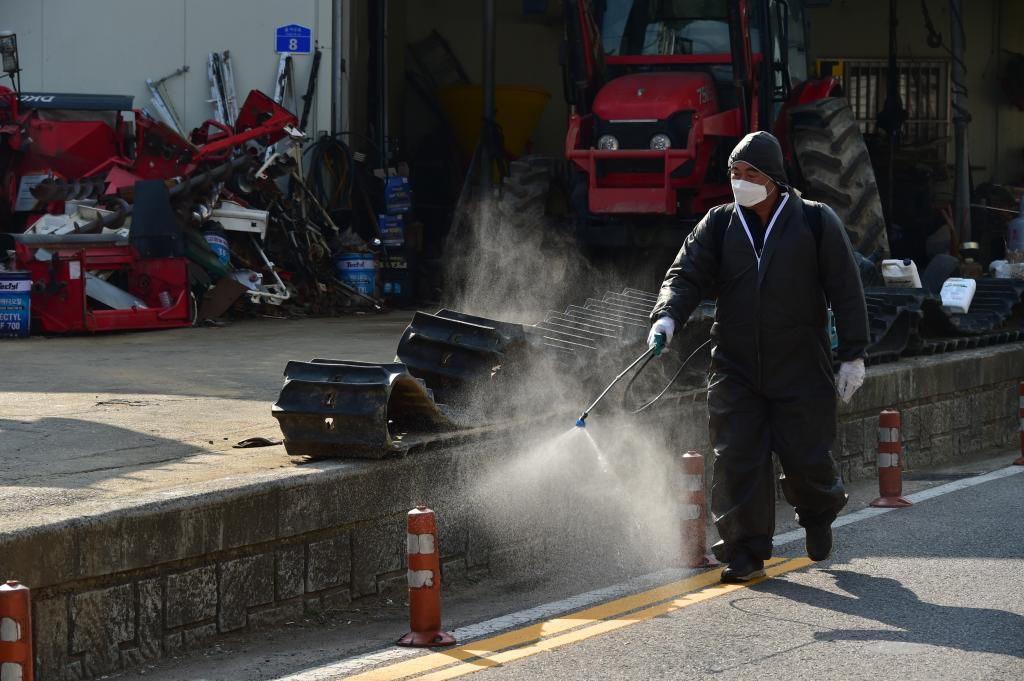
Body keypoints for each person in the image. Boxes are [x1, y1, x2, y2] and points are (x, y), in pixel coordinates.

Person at [648, 131, 870, 583]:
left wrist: (852, 354)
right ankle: (744, 550)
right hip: (735, 364)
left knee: (807, 455)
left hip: (801, 363)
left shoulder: (814, 221)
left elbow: (846, 289)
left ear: (773, 178)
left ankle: (818, 514)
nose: (740, 181)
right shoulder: (718, 224)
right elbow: (685, 274)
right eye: (734, 172)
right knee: (737, 458)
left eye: (751, 174)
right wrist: (667, 317)